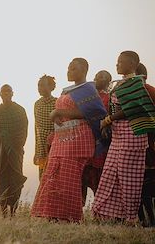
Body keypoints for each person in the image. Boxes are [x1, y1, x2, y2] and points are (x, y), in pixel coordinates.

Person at [31, 58, 107, 222]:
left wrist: (59, 113)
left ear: (84, 70)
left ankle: (70, 216)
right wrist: (56, 115)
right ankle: (52, 214)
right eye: (68, 68)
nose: (69, 71)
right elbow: (61, 110)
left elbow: (97, 113)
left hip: (78, 138)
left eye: (73, 68)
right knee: (54, 174)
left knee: (69, 178)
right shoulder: (67, 90)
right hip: (61, 138)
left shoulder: (88, 89)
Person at [92, 51, 155, 223]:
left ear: (133, 63)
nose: (117, 64)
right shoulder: (121, 83)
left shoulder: (136, 83)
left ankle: (130, 218)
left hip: (132, 135)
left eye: (121, 62)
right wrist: (109, 122)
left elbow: (133, 108)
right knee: (111, 174)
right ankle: (107, 214)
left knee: (129, 178)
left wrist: (108, 119)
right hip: (119, 136)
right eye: (117, 61)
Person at [0, 84, 28, 217]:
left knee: (15, 180)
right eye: (3, 92)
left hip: (15, 152)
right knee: (0, 180)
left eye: (8, 92)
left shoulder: (19, 110)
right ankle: (3, 212)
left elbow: (23, 131)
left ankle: (13, 211)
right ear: (0, 94)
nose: (6, 94)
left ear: (12, 93)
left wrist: (9, 141)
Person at [81, 70, 112, 205]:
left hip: (101, 143)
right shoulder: (88, 97)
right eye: (96, 76)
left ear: (108, 81)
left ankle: (98, 209)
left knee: (98, 177)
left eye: (101, 77)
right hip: (86, 140)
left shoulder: (109, 98)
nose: (97, 79)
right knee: (82, 175)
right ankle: (78, 209)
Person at [136, 63, 155, 227]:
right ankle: (146, 221)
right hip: (145, 144)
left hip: (146, 145)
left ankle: (146, 221)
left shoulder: (147, 91)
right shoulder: (149, 90)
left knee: (143, 185)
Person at [33, 75, 57, 180]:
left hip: (54, 145)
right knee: (42, 177)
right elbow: (36, 127)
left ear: (52, 87)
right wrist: (36, 151)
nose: (40, 88)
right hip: (41, 146)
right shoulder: (37, 104)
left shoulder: (57, 102)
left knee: (53, 176)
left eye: (43, 85)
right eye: (38, 85)